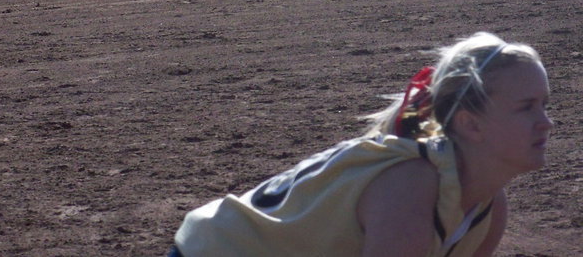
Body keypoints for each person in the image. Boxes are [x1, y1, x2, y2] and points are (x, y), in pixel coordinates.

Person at [170, 32, 553, 256]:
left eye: (544, 105)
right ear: (471, 124)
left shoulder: (489, 207)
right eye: (526, 107)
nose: (545, 122)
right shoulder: (411, 187)